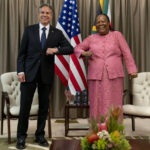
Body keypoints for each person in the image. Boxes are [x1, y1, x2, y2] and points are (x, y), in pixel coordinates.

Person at [16, 4, 73, 149]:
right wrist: (20, 72)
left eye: (48, 13)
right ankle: (21, 137)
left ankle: (40, 135)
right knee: (25, 108)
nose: (45, 15)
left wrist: (56, 50)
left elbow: (70, 48)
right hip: (28, 74)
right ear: (38, 14)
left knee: (43, 107)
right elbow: (21, 54)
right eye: (42, 12)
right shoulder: (29, 30)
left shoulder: (57, 33)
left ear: (51, 16)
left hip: (46, 75)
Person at [74, 14, 138, 120]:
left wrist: (132, 70)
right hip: (95, 76)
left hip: (114, 76)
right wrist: (83, 53)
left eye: (103, 21)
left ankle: (114, 130)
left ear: (109, 23)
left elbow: (127, 52)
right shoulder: (91, 38)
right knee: (96, 103)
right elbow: (77, 48)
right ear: (95, 25)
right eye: (98, 22)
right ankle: (97, 129)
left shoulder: (117, 35)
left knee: (114, 102)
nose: (101, 24)